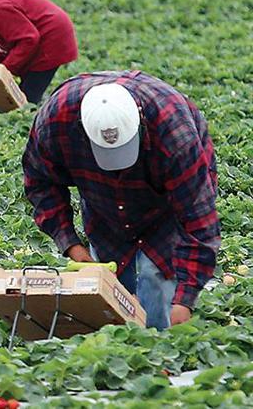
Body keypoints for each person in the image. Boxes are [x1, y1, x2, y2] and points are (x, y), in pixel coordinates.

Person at [22, 71, 220, 329]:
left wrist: (185, 299)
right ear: (83, 130)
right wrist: (72, 245)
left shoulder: (174, 133)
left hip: (164, 206)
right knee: (109, 288)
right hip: (102, 205)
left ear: (140, 124)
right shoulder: (56, 121)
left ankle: (157, 345)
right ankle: (115, 340)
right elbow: (40, 182)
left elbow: (198, 219)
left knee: (156, 279)